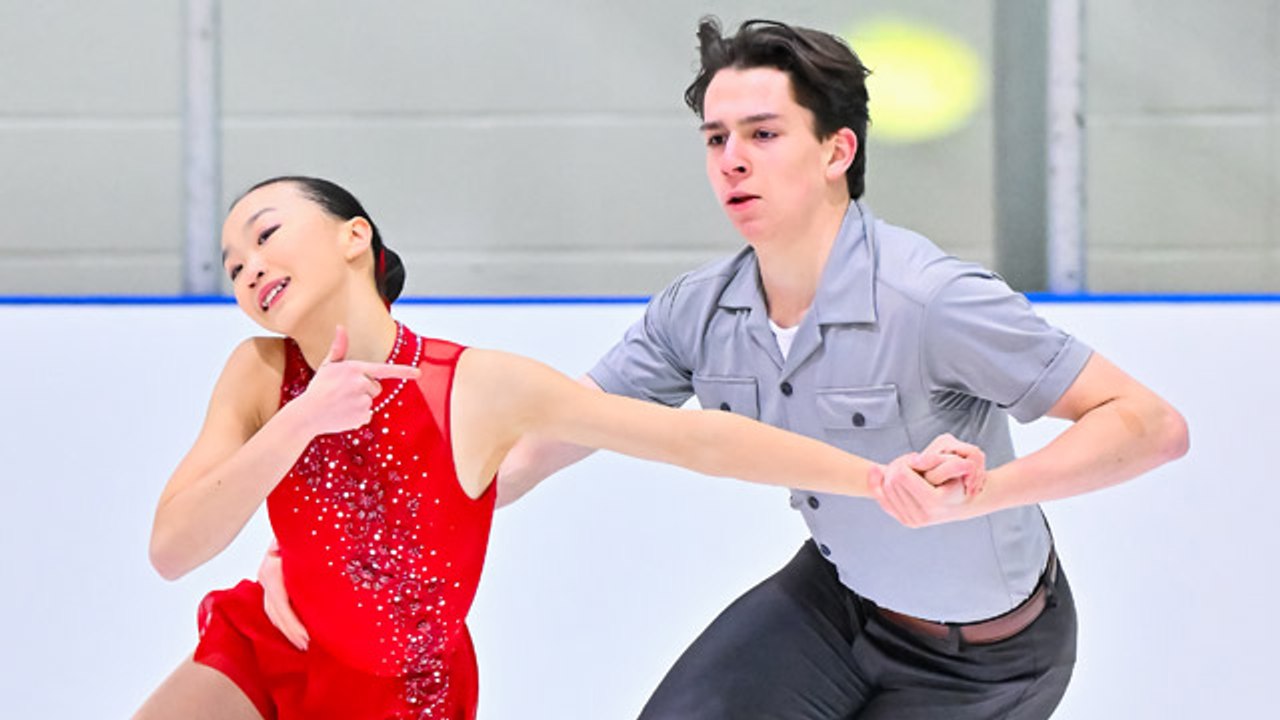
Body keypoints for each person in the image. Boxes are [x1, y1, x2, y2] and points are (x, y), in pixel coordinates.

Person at [134, 175, 982, 720]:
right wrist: (298, 422)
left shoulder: (476, 387)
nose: (246, 267)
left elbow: (691, 440)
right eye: (232, 263)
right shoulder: (258, 375)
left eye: (266, 235)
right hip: (266, 645)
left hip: (401, 696)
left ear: (354, 236)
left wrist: (872, 476)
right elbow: (174, 550)